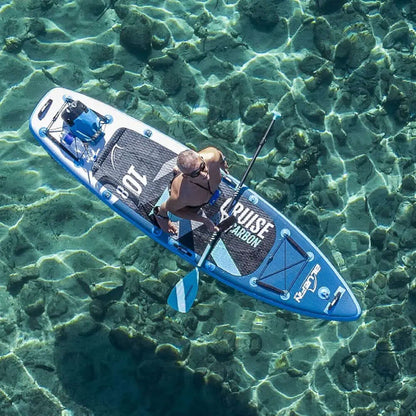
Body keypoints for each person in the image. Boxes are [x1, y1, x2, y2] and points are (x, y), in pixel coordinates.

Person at [153, 147, 229, 235]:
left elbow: (219, 154)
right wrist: (204, 220)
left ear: (202, 159)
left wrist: (223, 163)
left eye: (202, 167)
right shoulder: (182, 196)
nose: (204, 174)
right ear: (186, 177)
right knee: (176, 215)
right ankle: (177, 174)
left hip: (207, 193)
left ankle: (178, 171)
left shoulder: (212, 156)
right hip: (189, 204)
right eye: (195, 174)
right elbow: (166, 207)